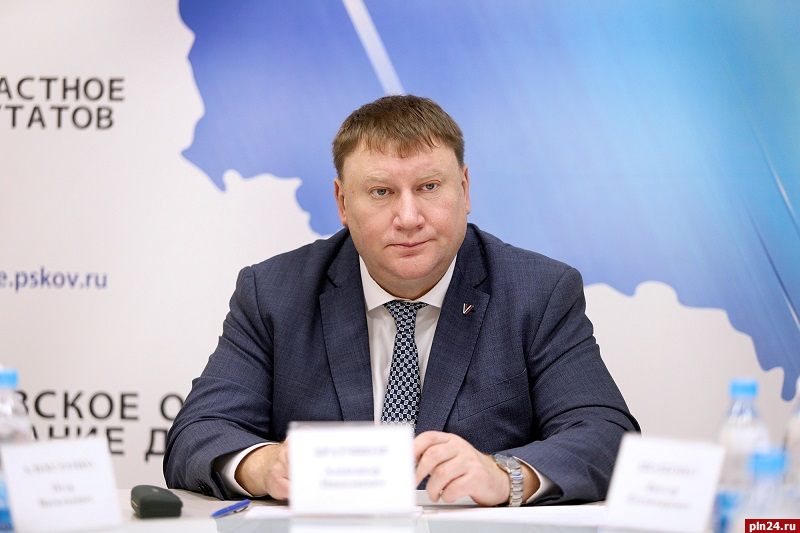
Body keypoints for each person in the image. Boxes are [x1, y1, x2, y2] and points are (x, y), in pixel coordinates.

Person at [164, 94, 639, 506]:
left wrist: (504, 476)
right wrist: (263, 465)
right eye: (381, 192)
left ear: (464, 189)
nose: (408, 217)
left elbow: (606, 435)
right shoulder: (275, 293)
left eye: (429, 187)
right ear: (342, 202)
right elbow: (197, 432)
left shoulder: (537, 292)